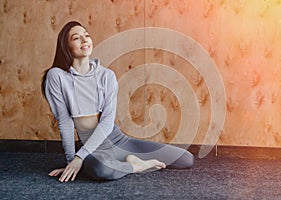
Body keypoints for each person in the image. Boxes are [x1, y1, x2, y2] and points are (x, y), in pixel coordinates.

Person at [41, 21, 194, 182]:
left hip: (119, 141)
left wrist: (79, 159)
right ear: (66, 46)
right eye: (76, 38)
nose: (84, 40)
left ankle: (128, 161)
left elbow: (107, 122)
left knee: (186, 159)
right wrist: (73, 161)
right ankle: (136, 166)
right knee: (101, 169)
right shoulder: (57, 76)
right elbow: (65, 121)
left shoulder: (106, 76)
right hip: (93, 150)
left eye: (87, 36)